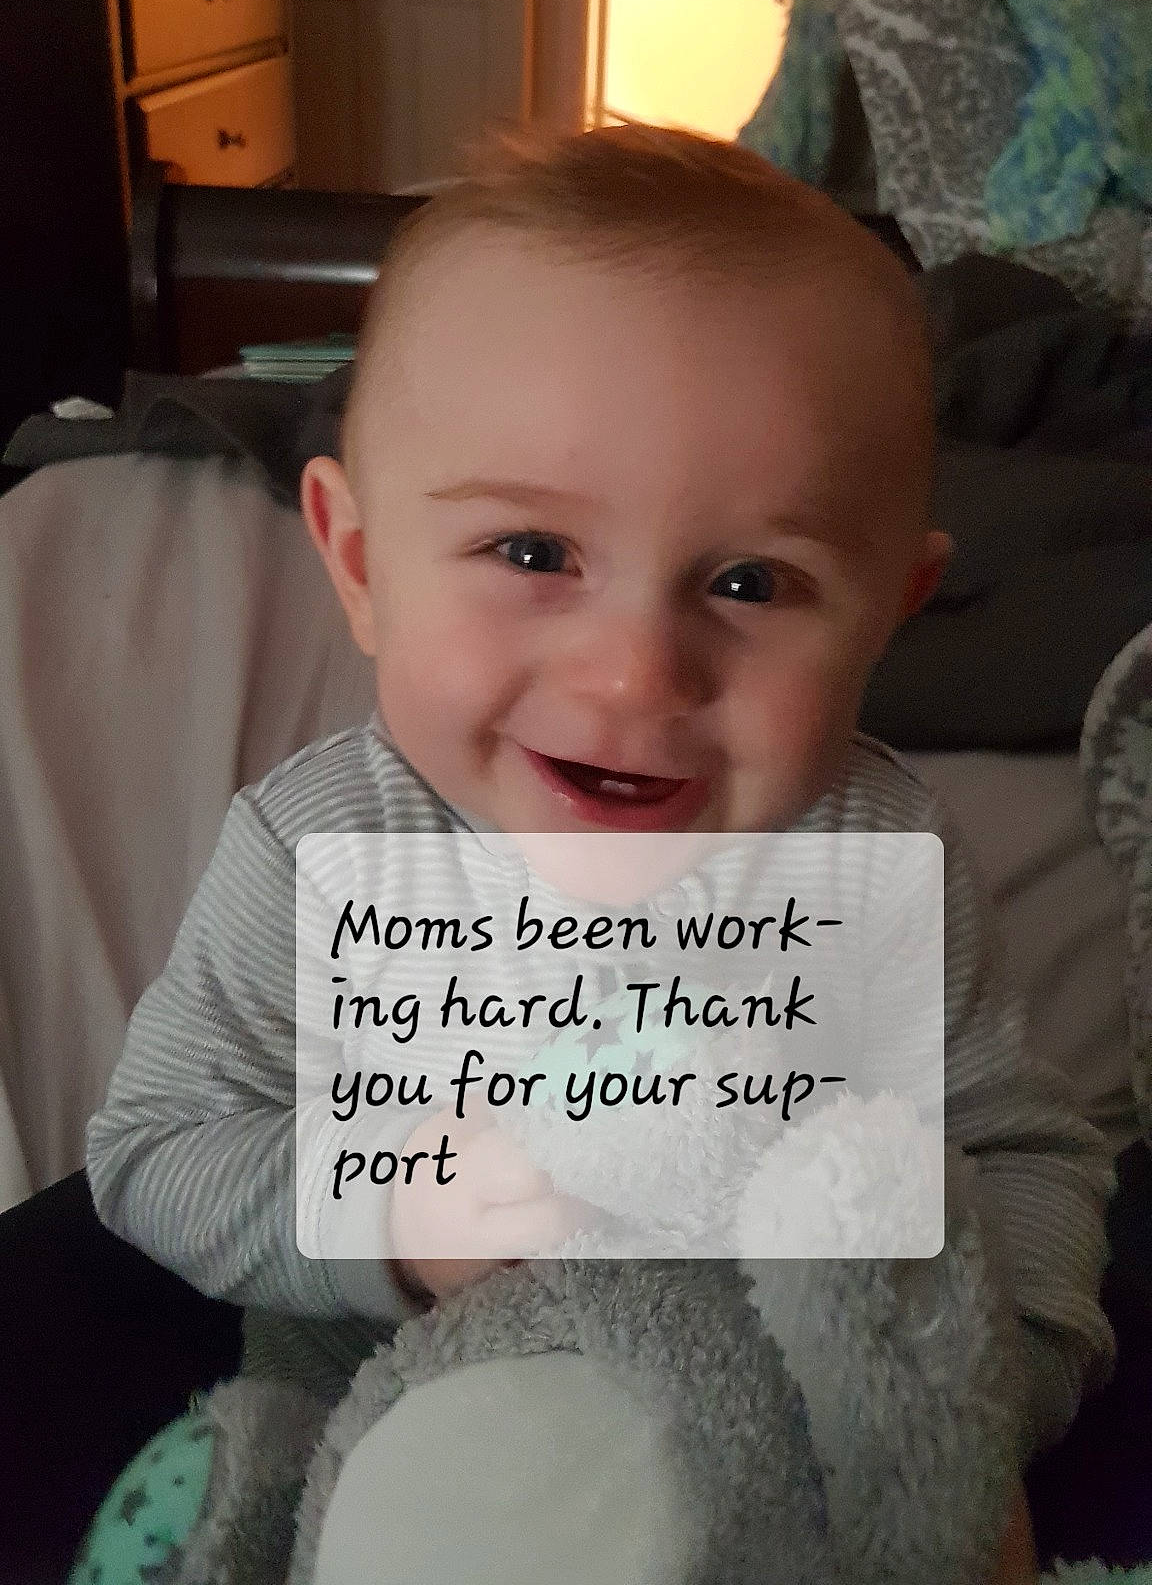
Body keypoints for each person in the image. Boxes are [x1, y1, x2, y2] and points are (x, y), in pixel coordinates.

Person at [86, 124, 1116, 1583]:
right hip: (396, 1457)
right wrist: (394, 1209)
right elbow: (157, 1151)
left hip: (798, 1475)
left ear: (894, 607)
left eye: (753, 582)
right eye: (532, 553)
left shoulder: (872, 857)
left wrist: (978, 1377)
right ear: (362, 566)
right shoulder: (320, 852)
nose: (637, 674)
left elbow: (1018, 1148)